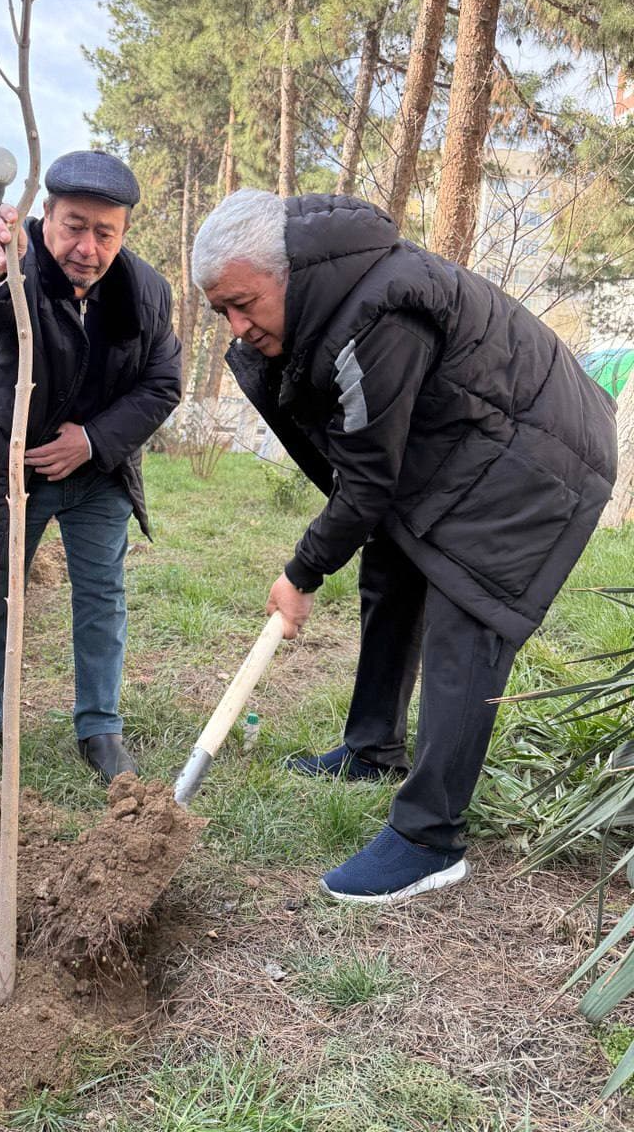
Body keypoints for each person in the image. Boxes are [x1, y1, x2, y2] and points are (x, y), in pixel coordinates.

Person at [191, 188, 617, 903]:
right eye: (220, 312)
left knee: (466, 616)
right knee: (390, 570)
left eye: (244, 303)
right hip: (470, 439)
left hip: (542, 456)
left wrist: (301, 572)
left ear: (288, 272)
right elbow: (366, 478)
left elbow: (365, 478)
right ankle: (371, 749)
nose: (236, 327)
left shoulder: (376, 311)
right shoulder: (331, 304)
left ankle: (429, 839)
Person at [0, 151, 182, 782]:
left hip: (98, 478)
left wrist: (91, 441)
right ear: (46, 215)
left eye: (105, 232)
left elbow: (163, 383)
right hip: (14, 475)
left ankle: (100, 728)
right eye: (74, 225)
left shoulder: (146, 290)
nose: (87, 247)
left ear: (123, 234)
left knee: (102, 600)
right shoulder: (14, 266)